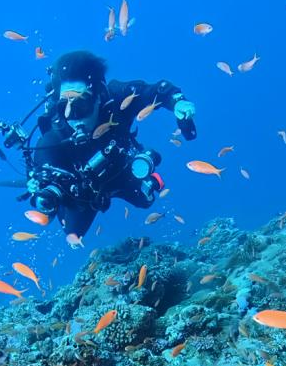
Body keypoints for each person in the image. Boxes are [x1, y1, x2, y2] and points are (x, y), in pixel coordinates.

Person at [27, 50, 196, 247]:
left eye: (80, 105)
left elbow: (158, 90)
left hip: (120, 169)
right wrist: (44, 189)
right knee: (72, 233)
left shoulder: (117, 99)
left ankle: (148, 176)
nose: (72, 115)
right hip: (84, 191)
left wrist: (178, 102)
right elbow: (44, 170)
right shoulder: (53, 136)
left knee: (145, 200)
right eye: (65, 105)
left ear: (98, 95)